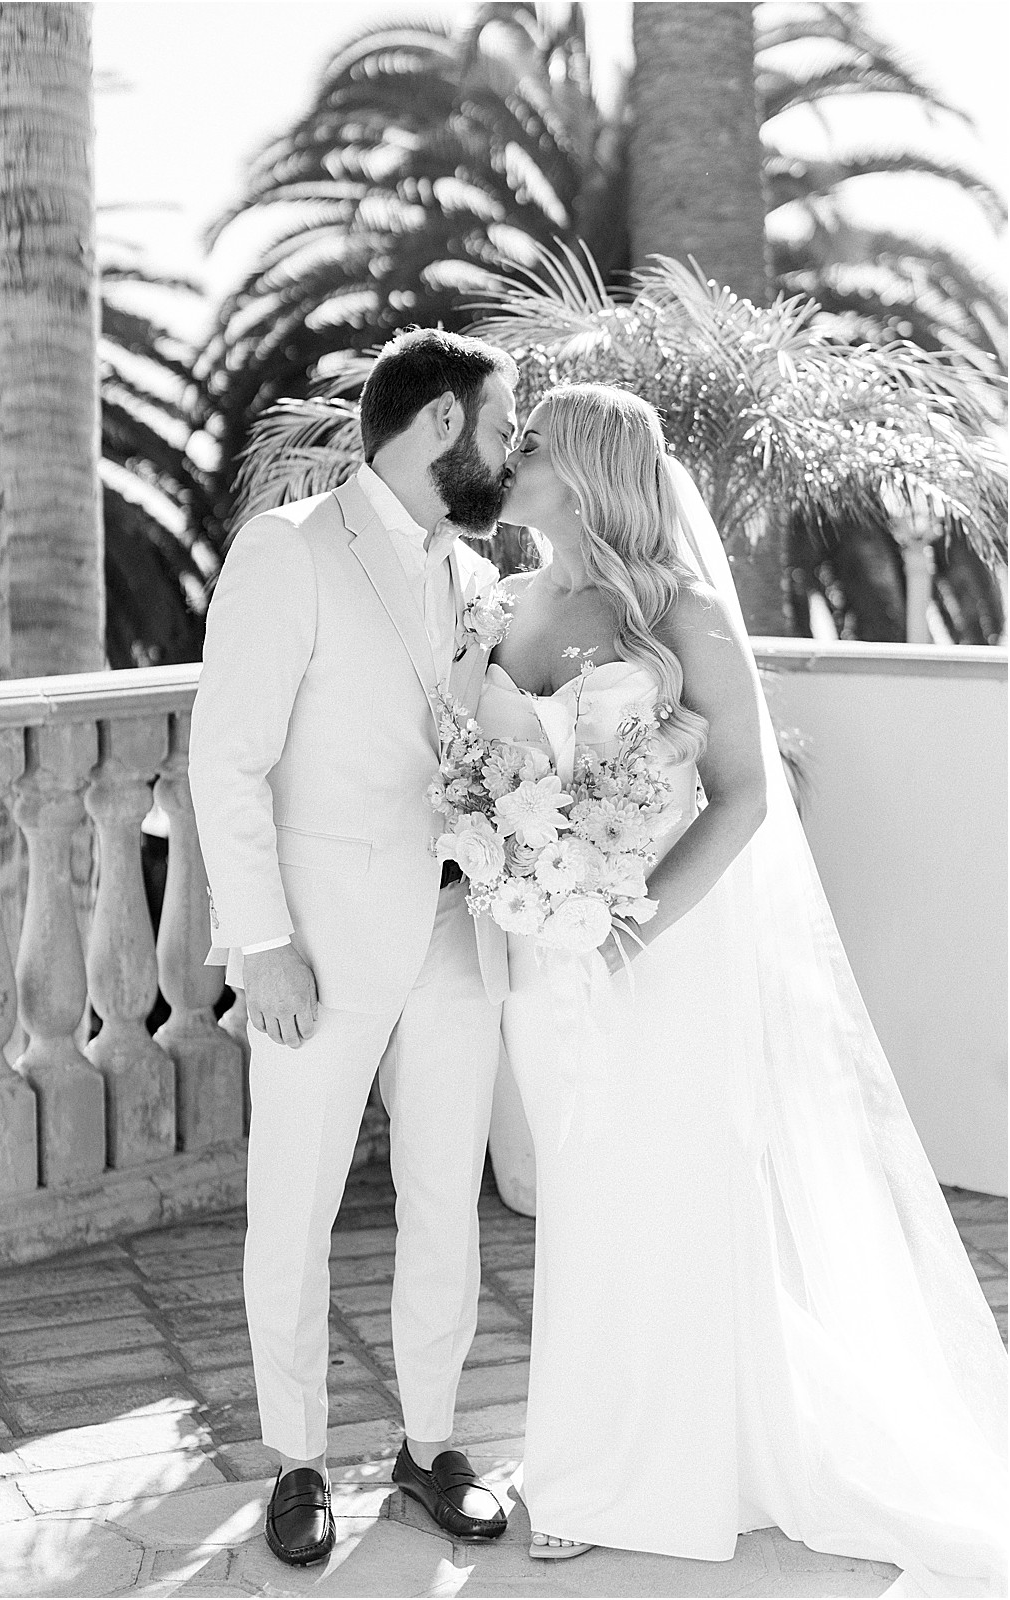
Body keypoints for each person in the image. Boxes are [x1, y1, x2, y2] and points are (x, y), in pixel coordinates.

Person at [479, 382, 1007, 1594]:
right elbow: (494, 764)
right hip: (539, 943)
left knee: (659, 1184)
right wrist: (510, 856)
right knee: (580, 1190)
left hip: (657, 949)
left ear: (591, 467)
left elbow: (745, 797)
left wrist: (630, 926)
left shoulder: (684, 613)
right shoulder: (514, 602)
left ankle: (633, 1477)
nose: (508, 458)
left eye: (531, 444)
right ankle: (592, 1435)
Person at [188, 329, 519, 1567]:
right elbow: (228, 760)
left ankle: (429, 1446)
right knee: (296, 1208)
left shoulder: (473, 569)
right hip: (318, 947)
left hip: (455, 927)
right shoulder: (287, 552)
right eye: (500, 425)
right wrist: (260, 944)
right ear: (438, 423)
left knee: (447, 1198)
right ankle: (297, 1461)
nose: (510, 448)